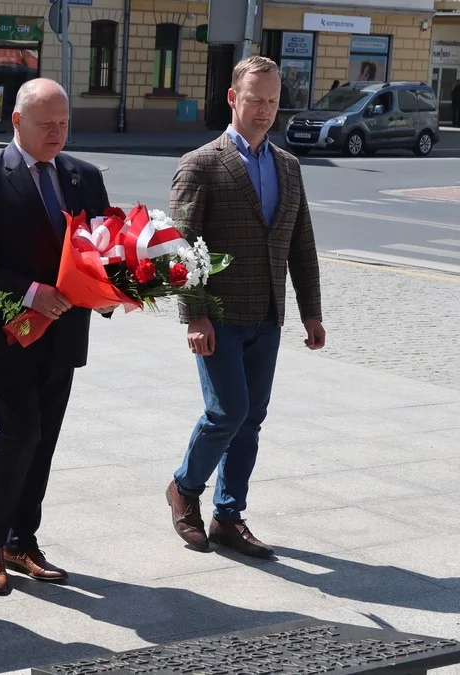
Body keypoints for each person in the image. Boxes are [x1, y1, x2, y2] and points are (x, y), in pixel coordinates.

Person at [0, 79, 112, 596]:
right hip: (8, 333)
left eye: (64, 124)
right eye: (47, 125)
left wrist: (117, 286)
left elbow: (104, 246)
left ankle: (23, 542)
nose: (57, 134)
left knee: (43, 439)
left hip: (63, 334)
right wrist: (30, 292)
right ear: (17, 121)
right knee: (17, 434)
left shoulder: (84, 176)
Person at [166, 56, 324, 559]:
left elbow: (301, 244)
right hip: (219, 316)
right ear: (233, 98)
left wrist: (312, 312)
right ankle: (183, 489)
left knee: (251, 417)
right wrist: (194, 315)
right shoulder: (201, 164)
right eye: (256, 99)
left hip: (267, 315)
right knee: (226, 412)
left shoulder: (288, 166)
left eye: (273, 101)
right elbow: (180, 248)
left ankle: (229, 516)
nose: (265, 110)